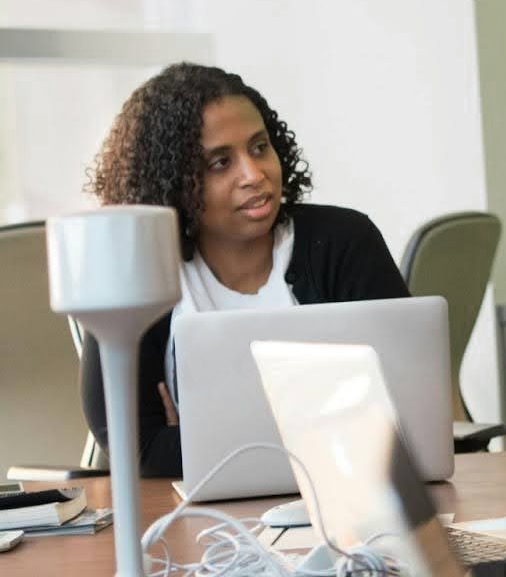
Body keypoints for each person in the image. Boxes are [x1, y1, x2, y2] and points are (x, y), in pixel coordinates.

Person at [81, 63, 409, 477]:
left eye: (259, 148)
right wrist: (323, 428)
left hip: (352, 503)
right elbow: (139, 451)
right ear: (170, 181)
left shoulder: (344, 241)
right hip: (201, 525)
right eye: (220, 162)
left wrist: (199, 440)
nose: (254, 175)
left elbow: (402, 413)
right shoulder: (137, 274)